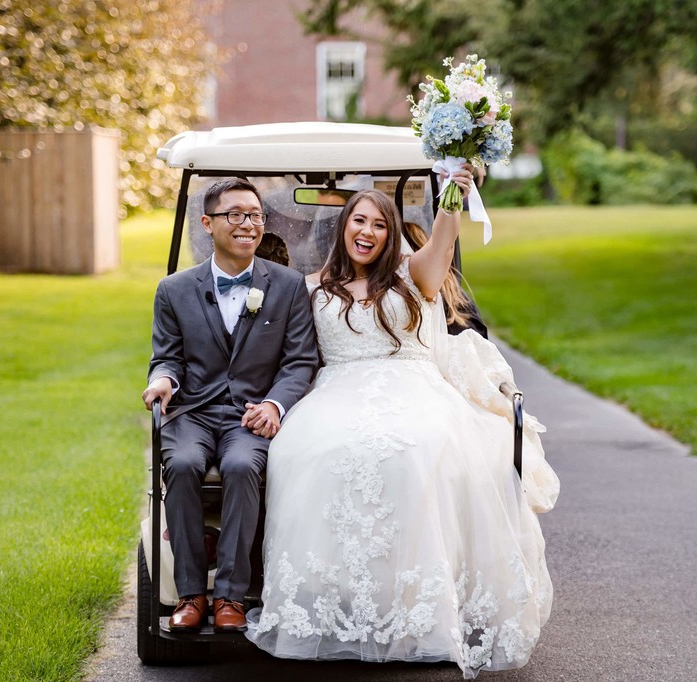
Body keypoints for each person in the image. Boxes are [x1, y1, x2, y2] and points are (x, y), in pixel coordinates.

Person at [245, 171, 560, 676]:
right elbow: (280, 344)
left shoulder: (415, 275)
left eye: (379, 225)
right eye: (358, 221)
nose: (367, 232)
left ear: (392, 234)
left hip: (414, 387)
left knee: (416, 448)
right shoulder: (311, 287)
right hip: (336, 390)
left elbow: (444, 237)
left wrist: (454, 188)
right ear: (344, 227)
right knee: (308, 452)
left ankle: (420, 604)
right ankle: (335, 600)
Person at [143, 178, 318, 633]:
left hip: (250, 415)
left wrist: (276, 405)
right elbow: (167, 355)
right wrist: (162, 379)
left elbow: (300, 361)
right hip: (194, 412)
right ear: (207, 223)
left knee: (242, 467)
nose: (249, 224)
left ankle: (231, 598)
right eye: (236, 214)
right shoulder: (174, 289)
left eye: (256, 216)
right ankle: (189, 594)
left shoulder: (287, 285)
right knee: (180, 464)